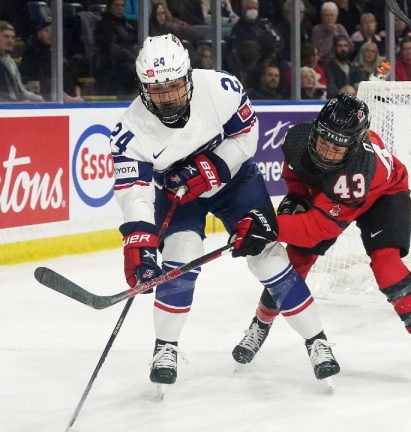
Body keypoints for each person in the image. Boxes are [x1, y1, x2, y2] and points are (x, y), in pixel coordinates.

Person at [110, 34, 339, 390]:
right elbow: (134, 192)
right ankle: (165, 347)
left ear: (187, 76)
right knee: (179, 257)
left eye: (173, 86)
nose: (168, 97)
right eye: (157, 90)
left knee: (268, 256)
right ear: (142, 88)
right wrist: (138, 241)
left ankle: (317, 340)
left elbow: (247, 135)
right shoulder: (129, 131)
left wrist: (210, 169)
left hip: (234, 180)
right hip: (175, 192)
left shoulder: (220, 88)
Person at [231, 93, 411, 382]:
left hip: (383, 196)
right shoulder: (297, 140)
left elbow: (320, 227)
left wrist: (271, 226)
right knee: (296, 261)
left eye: (337, 147)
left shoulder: (360, 170)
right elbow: (296, 178)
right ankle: (260, 326)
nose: (326, 151)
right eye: (323, 140)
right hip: (333, 196)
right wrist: (296, 198)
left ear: (352, 147)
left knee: (387, 267)